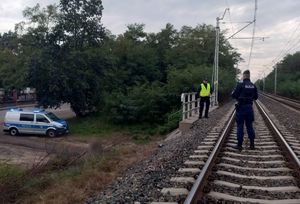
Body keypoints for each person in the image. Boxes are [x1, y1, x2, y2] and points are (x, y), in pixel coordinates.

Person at [231, 70, 258, 150]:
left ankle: (239, 145)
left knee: (240, 126)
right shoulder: (253, 85)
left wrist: (237, 96)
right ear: (249, 76)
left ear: (244, 76)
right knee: (249, 126)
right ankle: (252, 145)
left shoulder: (240, 85)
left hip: (241, 107)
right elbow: (256, 97)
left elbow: (234, 95)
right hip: (249, 107)